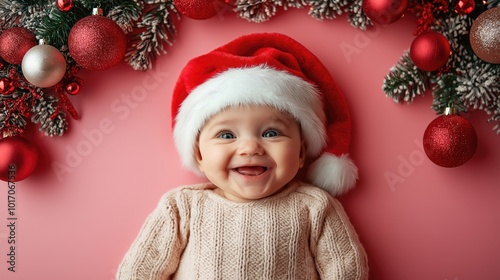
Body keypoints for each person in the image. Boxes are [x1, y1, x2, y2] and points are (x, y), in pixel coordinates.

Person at [116, 33, 368, 279]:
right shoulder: (182, 207)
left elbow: (347, 271)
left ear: (301, 152)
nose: (250, 148)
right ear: (198, 154)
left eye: (271, 133)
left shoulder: (314, 207)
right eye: (226, 135)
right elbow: (138, 272)